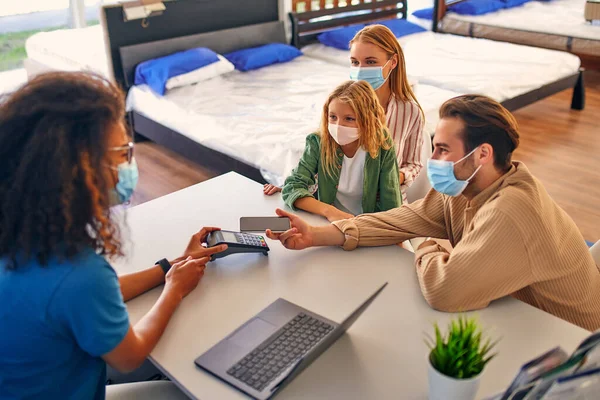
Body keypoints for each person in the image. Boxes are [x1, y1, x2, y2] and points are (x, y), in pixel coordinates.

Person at [266, 94, 600, 331]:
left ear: (482, 154)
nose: (433, 159)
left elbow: (445, 291)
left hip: (567, 341)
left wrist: (427, 243)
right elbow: (402, 219)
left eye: (442, 149)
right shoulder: (465, 187)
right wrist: (317, 235)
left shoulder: (512, 210)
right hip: (521, 317)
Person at [0, 72, 227, 399]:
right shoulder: (78, 271)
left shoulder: (26, 236)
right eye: (122, 153)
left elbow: (85, 297)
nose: (130, 165)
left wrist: (169, 268)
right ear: (79, 168)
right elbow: (129, 356)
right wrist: (174, 291)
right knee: (177, 391)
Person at [264, 25, 425, 203]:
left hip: (385, 204)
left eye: (370, 62)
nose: (361, 69)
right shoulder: (340, 105)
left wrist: (390, 180)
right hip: (337, 202)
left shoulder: (410, 111)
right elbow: (323, 159)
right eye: (355, 62)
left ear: (393, 62)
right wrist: (294, 188)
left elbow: (414, 164)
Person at [280, 80, 402, 222]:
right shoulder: (318, 142)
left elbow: (391, 201)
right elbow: (292, 187)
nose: (338, 126)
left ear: (367, 119)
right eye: (333, 117)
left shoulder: (382, 143)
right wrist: (329, 211)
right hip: (328, 221)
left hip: (368, 225)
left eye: (349, 119)